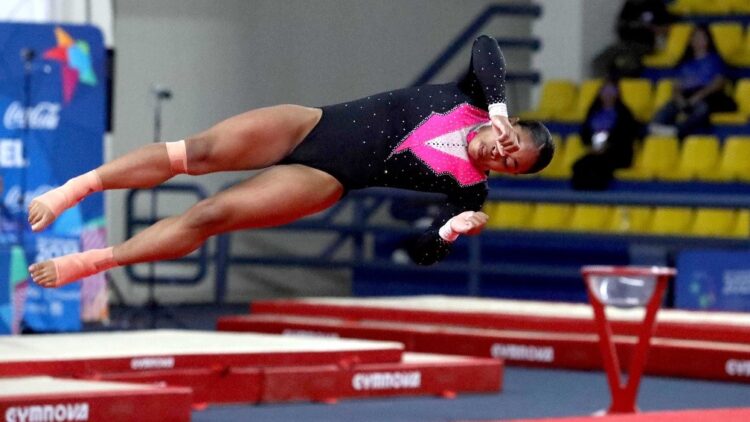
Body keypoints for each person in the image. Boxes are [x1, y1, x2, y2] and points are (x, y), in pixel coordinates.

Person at [27, 35, 554, 288]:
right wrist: (501, 105)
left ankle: (92, 262)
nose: (498, 156)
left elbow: (419, 256)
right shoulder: (474, 96)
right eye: (509, 145)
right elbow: (488, 47)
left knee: (211, 216)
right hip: (310, 123)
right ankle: (73, 189)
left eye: (508, 167)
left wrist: (447, 233)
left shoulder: (471, 192)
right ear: (504, 126)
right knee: (198, 153)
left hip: (325, 178)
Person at [649, 26, 736, 139]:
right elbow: (677, 85)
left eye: (701, 37)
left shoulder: (715, 60)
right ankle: (656, 126)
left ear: (708, 40)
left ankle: (678, 130)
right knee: (669, 106)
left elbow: (718, 83)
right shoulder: (685, 63)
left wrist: (699, 96)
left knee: (702, 108)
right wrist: (679, 98)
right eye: (695, 37)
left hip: (708, 96)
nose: (698, 40)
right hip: (687, 95)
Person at [572, 78, 640, 191]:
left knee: (598, 166)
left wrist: (608, 146)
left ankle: (598, 196)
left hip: (617, 153)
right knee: (579, 166)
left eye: (611, 92)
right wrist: (591, 146)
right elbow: (584, 133)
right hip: (595, 151)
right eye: (605, 92)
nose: (608, 95)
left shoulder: (624, 113)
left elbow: (626, 137)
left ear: (617, 94)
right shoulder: (594, 111)